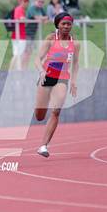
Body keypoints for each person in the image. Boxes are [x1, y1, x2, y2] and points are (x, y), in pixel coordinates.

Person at [34, 12, 80, 158]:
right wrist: (41, 71)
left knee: (56, 111)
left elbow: (76, 63)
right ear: (58, 25)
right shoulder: (50, 39)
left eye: (69, 24)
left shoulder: (75, 43)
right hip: (47, 77)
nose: (66, 27)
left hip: (62, 79)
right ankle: (42, 107)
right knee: (40, 115)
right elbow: (37, 58)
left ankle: (43, 145)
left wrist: (73, 81)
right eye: (63, 24)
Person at [24, 0, 48, 70]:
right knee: (27, 51)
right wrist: (42, 18)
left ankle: (25, 68)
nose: (41, 3)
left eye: (42, 2)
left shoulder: (41, 9)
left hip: (34, 33)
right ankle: (22, 68)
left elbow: (47, 18)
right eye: (39, 1)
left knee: (30, 51)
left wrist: (43, 18)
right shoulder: (32, 8)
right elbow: (37, 17)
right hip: (27, 32)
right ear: (35, 1)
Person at [9, 0, 29, 70]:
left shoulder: (21, 9)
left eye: (27, 1)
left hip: (20, 35)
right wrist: (25, 19)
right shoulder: (19, 9)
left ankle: (17, 70)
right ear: (20, 1)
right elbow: (21, 19)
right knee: (17, 54)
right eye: (24, 1)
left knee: (18, 54)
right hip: (19, 36)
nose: (26, 3)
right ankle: (11, 71)